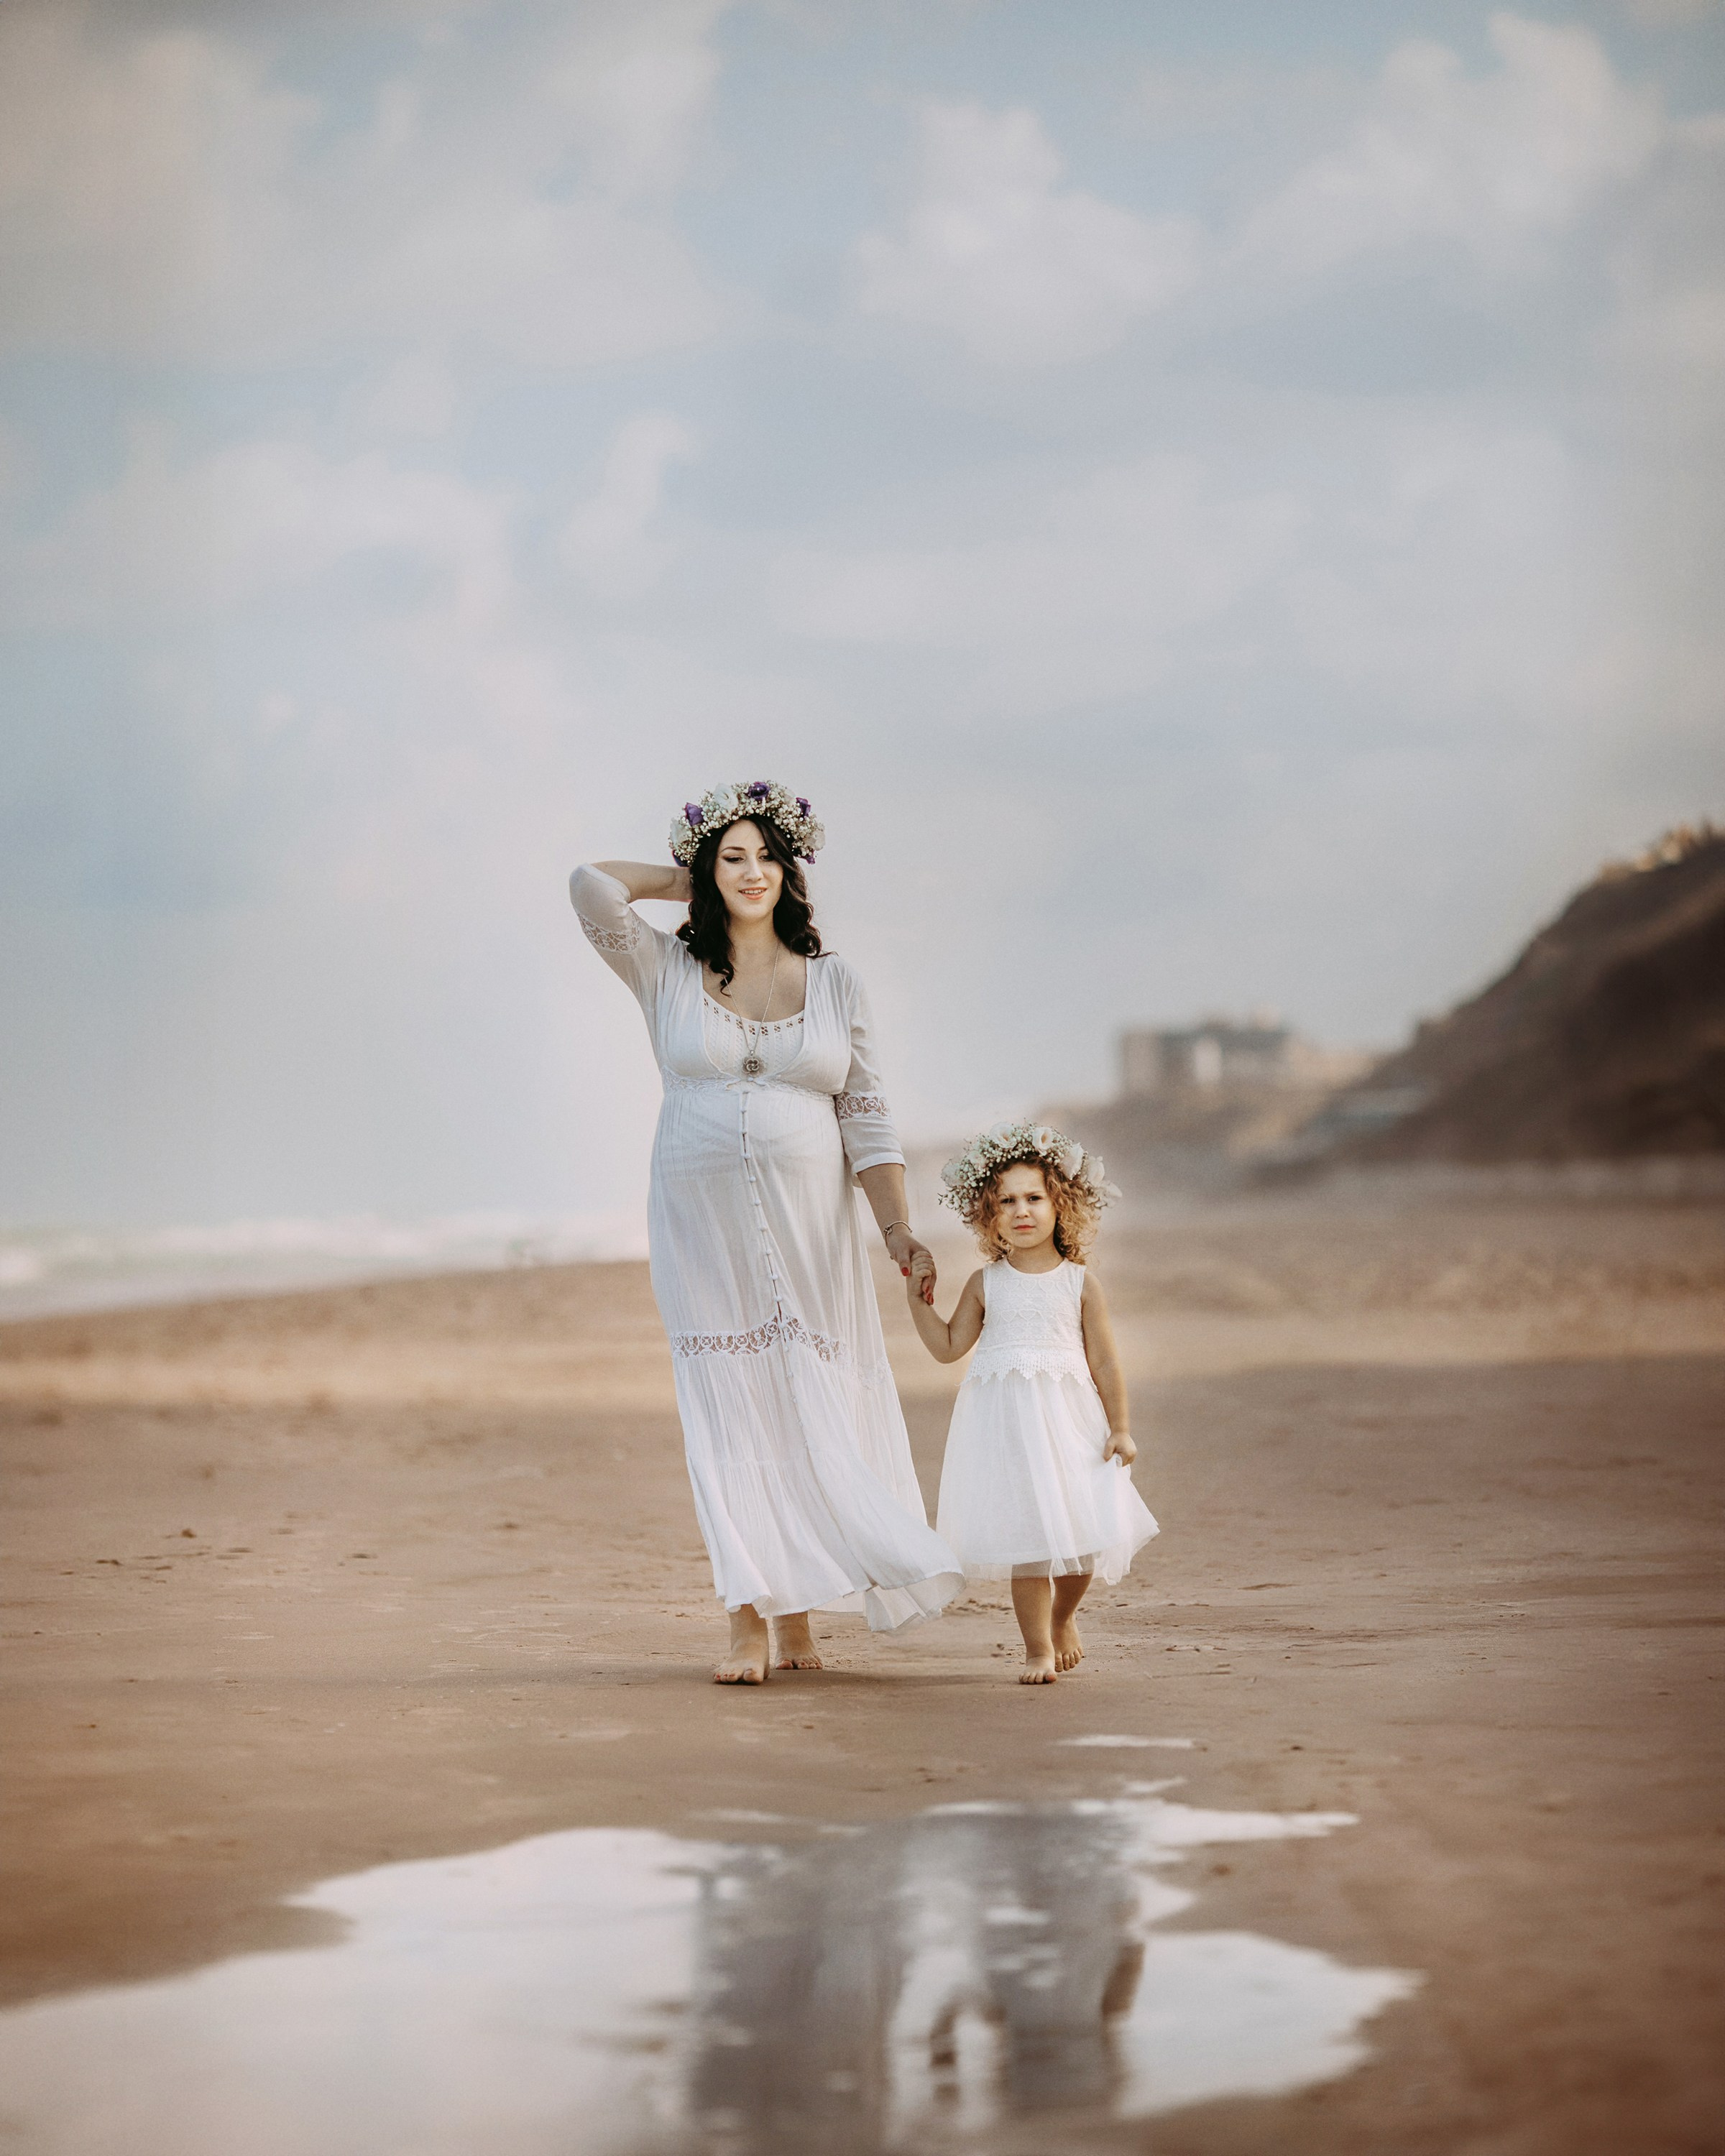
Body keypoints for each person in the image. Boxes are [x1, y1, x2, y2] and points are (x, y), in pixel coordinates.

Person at [570, 780, 961, 1685]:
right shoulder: (661, 966)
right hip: (700, 1226)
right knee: (731, 1409)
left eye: (767, 856)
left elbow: (866, 1114)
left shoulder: (836, 983)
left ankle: (798, 1620)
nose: (753, 873)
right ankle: (750, 1619)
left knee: (805, 1402)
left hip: (812, 1233)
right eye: (733, 857)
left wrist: (898, 1232)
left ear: (794, 871)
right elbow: (589, 883)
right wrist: (688, 878)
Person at [905, 1123, 1158, 1683]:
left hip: (1072, 1428)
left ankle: (1064, 1617)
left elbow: (1106, 1364)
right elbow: (948, 1347)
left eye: (1034, 1198)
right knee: (1031, 1548)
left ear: (1059, 1205)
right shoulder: (985, 1282)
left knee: (1083, 1541)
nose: (1022, 1211)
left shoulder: (1079, 1284)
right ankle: (1037, 1649)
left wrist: (1120, 1427)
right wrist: (917, 1300)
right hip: (1007, 1433)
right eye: (1007, 1202)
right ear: (988, 1217)